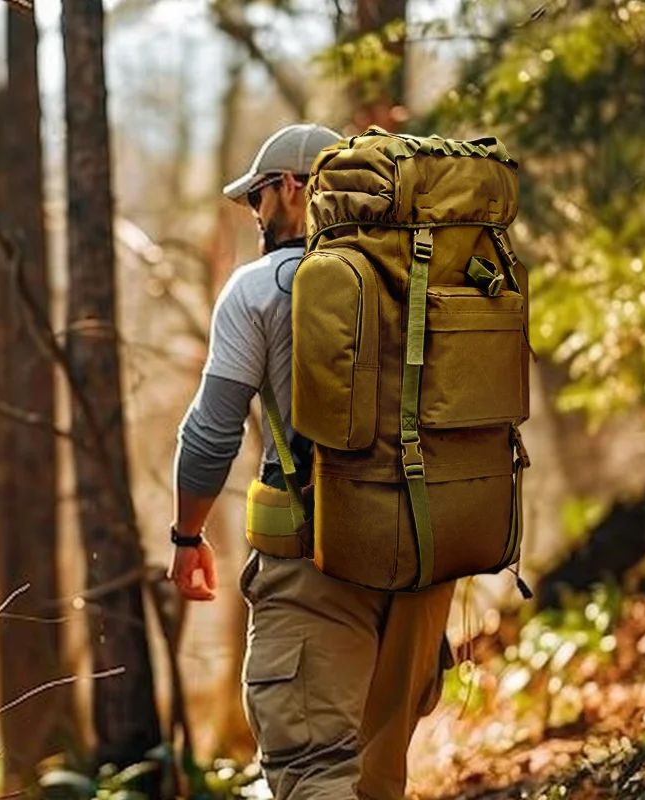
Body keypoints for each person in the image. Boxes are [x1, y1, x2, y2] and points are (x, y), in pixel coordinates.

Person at [168, 123, 456, 800]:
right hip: (431, 556)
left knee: (314, 770)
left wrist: (187, 536)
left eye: (258, 196)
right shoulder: (427, 272)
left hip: (320, 562)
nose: (254, 213)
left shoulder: (258, 288)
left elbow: (210, 433)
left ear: (291, 188)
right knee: (378, 778)